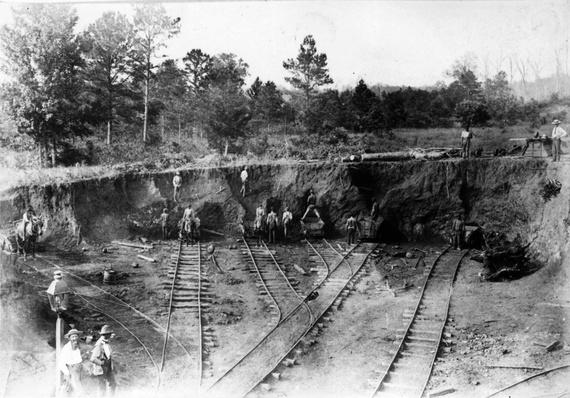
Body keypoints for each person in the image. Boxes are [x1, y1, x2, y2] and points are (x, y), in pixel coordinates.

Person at [90, 325, 116, 397]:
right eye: (110, 334)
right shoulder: (99, 344)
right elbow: (93, 358)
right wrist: (101, 363)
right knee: (102, 387)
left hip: (108, 366)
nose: (111, 335)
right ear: (106, 335)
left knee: (113, 383)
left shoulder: (106, 342)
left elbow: (108, 354)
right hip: (101, 368)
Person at [59, 329, 84, 397]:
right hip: (70, 370)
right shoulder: (66, 348)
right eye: (73, 337)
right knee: (75, 389)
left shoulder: (78, 346)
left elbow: (79, 359)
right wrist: (67, 373)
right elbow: (61, 363)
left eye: (76, 336)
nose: (75, 338)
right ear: (69, 338)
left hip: (78, 369)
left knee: (78, 387)